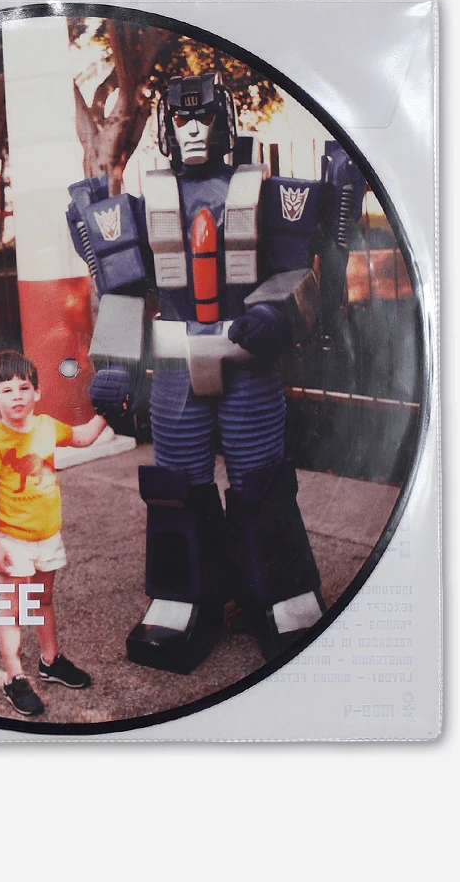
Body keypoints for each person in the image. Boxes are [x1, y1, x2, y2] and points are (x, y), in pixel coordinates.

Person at [68, 72, 353, 672]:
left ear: (225, 120)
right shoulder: (146, 203)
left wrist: (276, 314)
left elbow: (298, 273)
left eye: (203, 117)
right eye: (181, 118)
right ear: (167, 129)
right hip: (175, 367)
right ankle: (183, 597)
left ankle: (281, 594)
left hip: (247, 363)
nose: (193, 128)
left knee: (262, 483)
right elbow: (122, 288)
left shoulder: (265, 192)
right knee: (176, 486)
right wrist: (115, 365)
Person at [0, 350, 108, 716]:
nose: (17, 396)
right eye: (6, 390)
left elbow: (82, 437)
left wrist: (109, 412)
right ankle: (14, 677)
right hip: (12, 539)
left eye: (24, 387)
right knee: (13, 609)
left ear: (37, 392)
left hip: (47, 535)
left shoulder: (47, 427)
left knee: (43, 599)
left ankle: (50, 661)